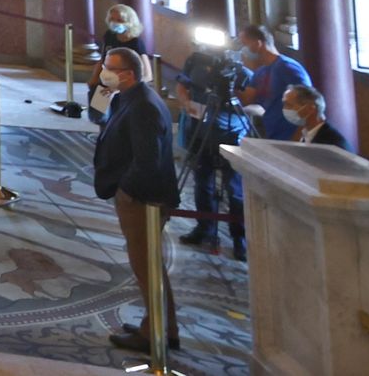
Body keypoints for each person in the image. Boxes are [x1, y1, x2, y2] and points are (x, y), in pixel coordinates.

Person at [94, 47, 179, 354]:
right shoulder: (122, 97)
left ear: (127, 74)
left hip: (143, 198)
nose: (103, 70)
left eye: (108, 67)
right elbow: (94, 114)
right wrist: (99, 87)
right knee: (148, 265)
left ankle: (154, 333)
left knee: (146, 267)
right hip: (134, 195)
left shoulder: (144, 106)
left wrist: (125, 191)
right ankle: (162, 326)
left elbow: (147, 160)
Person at [175, 55, 251, 260]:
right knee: (202, 182)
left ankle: (240, 238)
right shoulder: (195, 60)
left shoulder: (236, 66)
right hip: (200, 131)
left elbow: (251, 96)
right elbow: (182, 86)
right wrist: (186, 103)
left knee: (234, 190)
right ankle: (204, 227)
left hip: (230, 132)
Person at [236, 24, 311, 140]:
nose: (242, 50)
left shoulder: (288, 68)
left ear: (258, 44)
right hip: (272, 134)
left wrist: (298, 138)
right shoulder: (260, 72)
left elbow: (308, 103)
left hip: (290, 135)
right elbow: (248, 98)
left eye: (244, 44)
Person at [283, 85, 351, 149]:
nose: (285, 109)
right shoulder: (308, 133)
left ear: (310, 108)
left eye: (289, 105)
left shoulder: (331, 144)